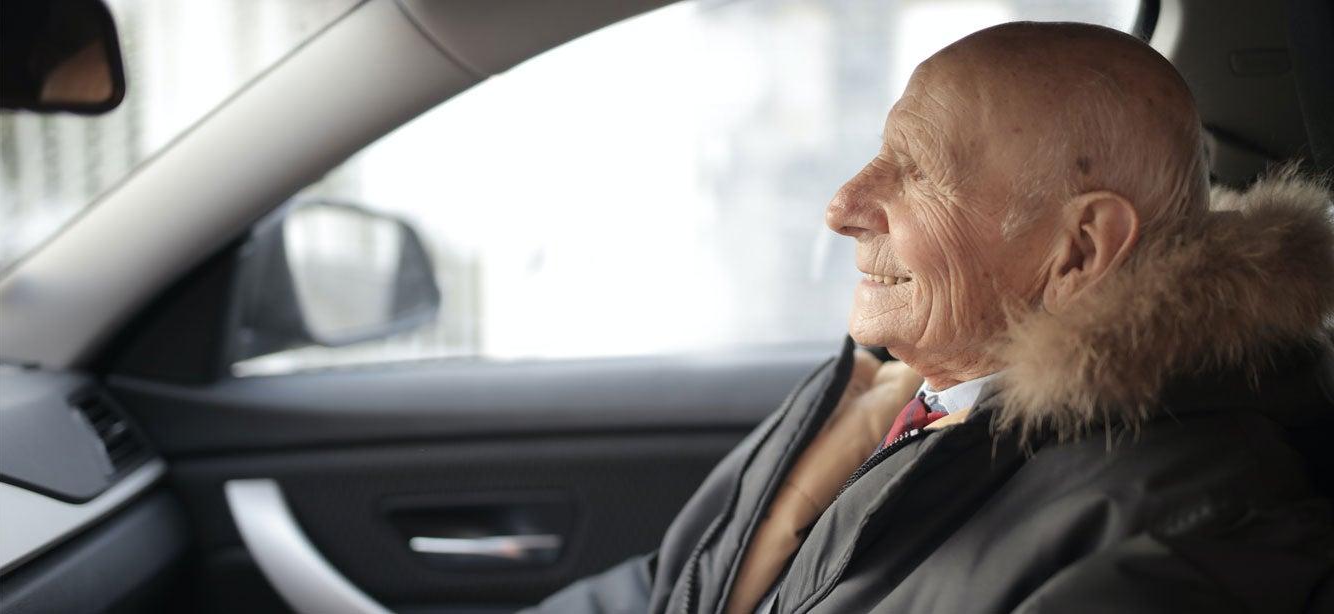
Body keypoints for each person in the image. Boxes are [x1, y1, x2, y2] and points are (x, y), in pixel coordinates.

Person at [526, 21, 1334, 613]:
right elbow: (671, 588)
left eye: (916, 172)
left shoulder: (1188, 540)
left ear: (1082, 251)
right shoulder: (891, 394)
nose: (842, 205)